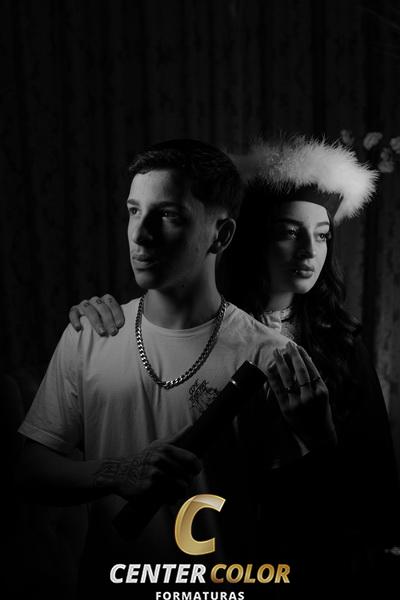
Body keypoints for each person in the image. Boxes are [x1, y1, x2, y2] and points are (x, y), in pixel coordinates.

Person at [71, 136, 400, 596]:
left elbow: (372, 480)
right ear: (253, 237)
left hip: (315, 558)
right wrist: (102, 322)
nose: (309, 250)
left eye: (322, 235)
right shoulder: (201, 328)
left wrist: (320, 440)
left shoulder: (342, 345)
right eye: (289, 232)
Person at [18, 139, 333, 599]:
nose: (140, 234)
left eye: (168, 215)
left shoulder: (272, 356)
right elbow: (29, 471)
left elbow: (304, 522)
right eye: (134, 211)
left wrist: (323, 442)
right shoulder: (89, 333)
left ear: (221, 235)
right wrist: (115, 473)